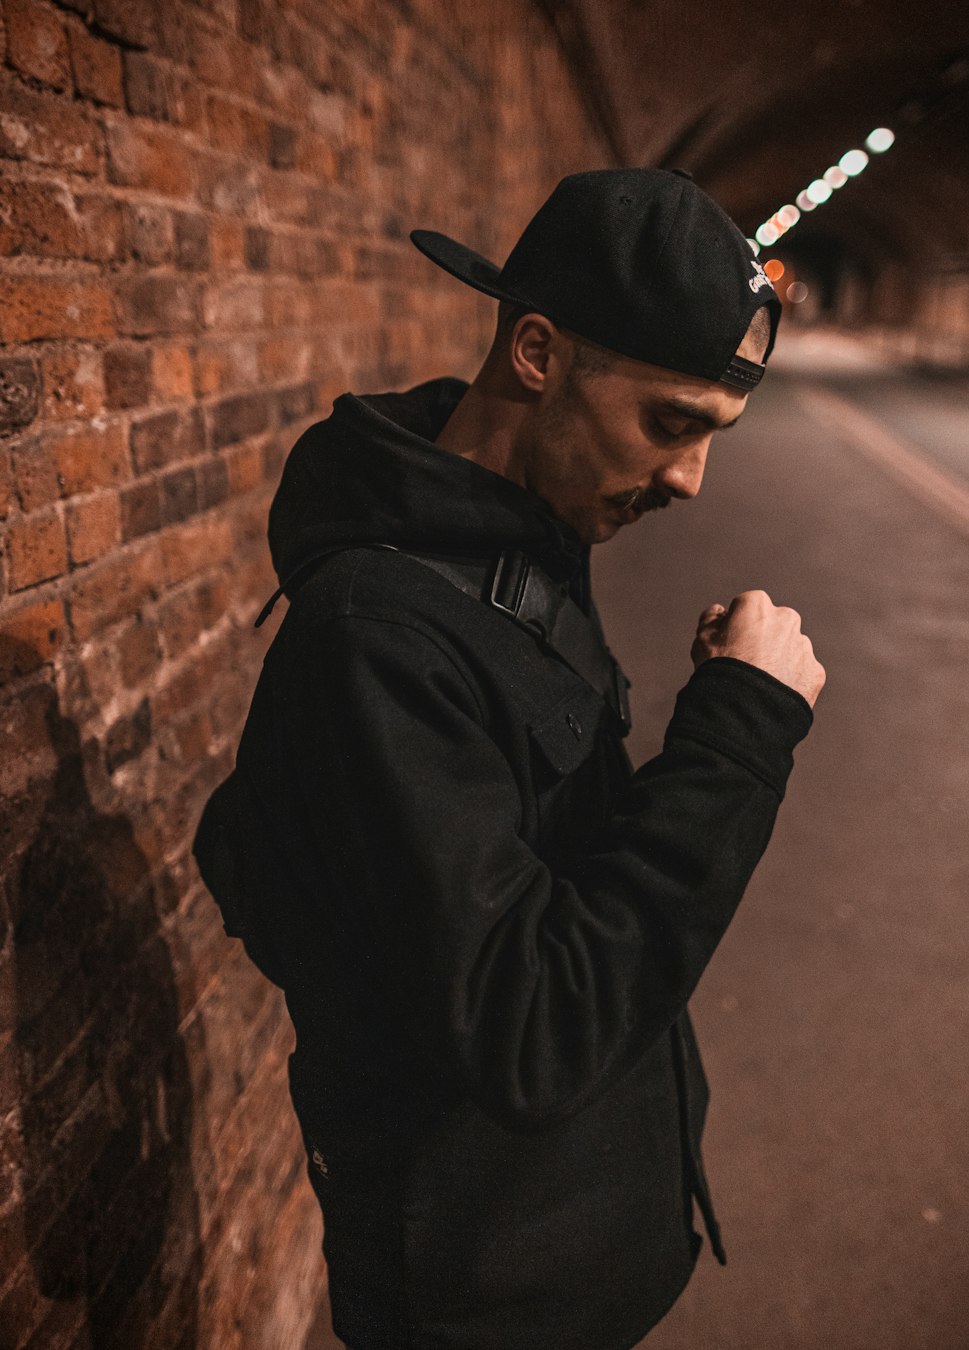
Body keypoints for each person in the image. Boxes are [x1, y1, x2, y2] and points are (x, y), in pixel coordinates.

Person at [194, 167, 825, 1350]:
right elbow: (534, 1024)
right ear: (536, 353)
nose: (690, 480)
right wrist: (738, 733)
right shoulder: (374, 640)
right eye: (671, 423)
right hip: (484, 1303)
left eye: (714, 432)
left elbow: (557, 869)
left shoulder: (519, 533)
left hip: (565, 1248)